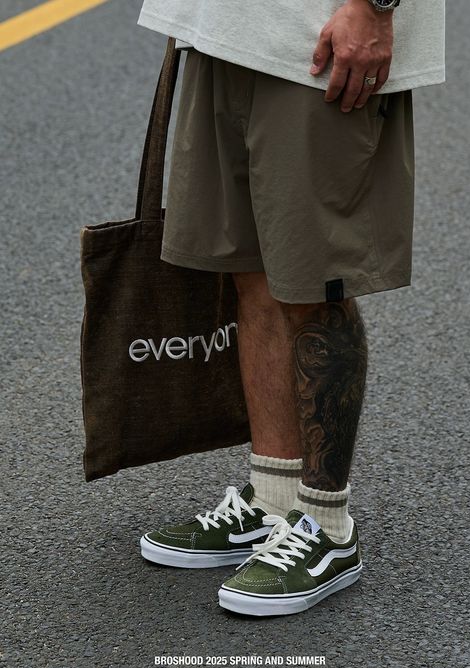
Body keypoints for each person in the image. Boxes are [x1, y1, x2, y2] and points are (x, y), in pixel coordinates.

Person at [136, 0, 446, 616]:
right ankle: (274, 501)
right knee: (252, 276)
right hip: (221, 31)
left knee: (315, 287)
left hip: (318, 44)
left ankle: (328, 528)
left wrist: (376, 8)